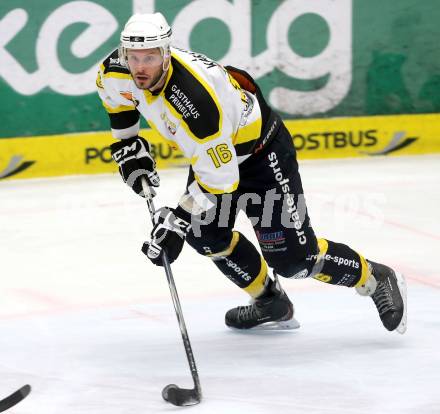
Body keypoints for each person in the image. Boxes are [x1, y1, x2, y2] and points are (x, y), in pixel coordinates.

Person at [96, 13, 407, 333]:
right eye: (134, 58)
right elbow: (117, 103)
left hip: (262, 154)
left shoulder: (196, 102)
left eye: (150, 57)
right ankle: (270, 301)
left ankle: (374, 277)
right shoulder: (115, 70)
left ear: (166, 53)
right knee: (206, 236)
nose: (140, 67)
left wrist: (178, 221)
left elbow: (220, 180)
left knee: (295, 262)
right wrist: (128, 144)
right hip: (216, 158)